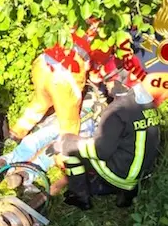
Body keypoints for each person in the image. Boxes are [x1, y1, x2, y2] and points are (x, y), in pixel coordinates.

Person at [51, 68, 161, 210]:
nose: (107, 86)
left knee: (68, 146)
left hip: (121, 175)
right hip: (142, 175)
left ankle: (80, 198)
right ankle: (127, 196)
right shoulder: (147, 104)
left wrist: (63, 143)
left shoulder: (117, 110)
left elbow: (100, 151)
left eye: (108, 82)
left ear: (117, 83)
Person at [8, 18, 108, 144]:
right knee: (69, 122)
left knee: (40, 101)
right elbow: (95, 77)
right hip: (64, 78)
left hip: (42, 64)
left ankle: (17, 132)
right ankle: (65, 153)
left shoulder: (77, 19)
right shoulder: (103, 39)